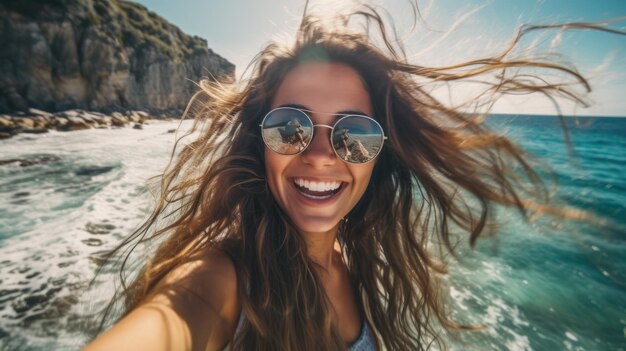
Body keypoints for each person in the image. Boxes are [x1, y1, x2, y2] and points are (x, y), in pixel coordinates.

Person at [84, 2, 619, 351]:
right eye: (289, 126)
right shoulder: (221, 278)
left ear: (380, 153)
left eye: (354, 132)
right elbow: (173, 322)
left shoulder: (359, 263)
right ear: (259, 143)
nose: (320, 155)